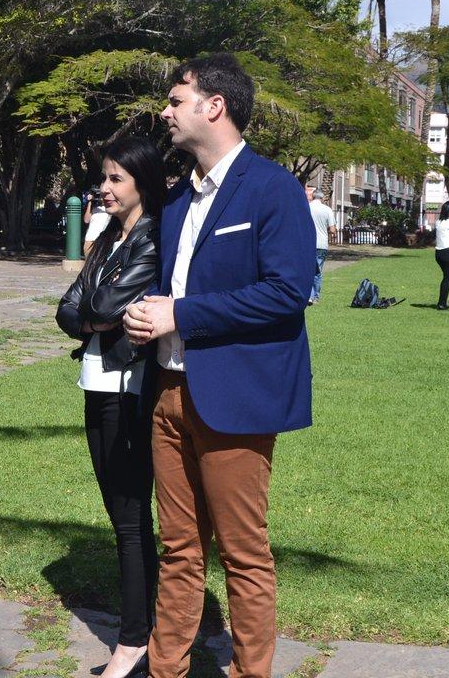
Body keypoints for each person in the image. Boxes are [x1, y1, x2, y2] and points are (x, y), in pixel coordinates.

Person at [123, 54, 315, 678]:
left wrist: (183, 314)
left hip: (235, 399)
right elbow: (171, 286)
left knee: (242, 553)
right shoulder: (177, 200)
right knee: (178, 551)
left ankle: (250, 672)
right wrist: (142, 317)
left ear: (215, 106)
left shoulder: (272, 187)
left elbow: (289, 291)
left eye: (176, 100)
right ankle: (166, 667)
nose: (165, 111)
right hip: (169, 394)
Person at [56, 137, 164, 678]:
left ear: (143, 183)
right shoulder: (107, 241)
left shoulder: (151, 237)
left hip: (129, 388)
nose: (104, 187)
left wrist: (96, 312)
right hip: (96, 384)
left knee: (128, 518)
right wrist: (96, 314)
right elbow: (68, 309)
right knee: (125, 517)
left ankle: (132, 643)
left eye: (116, 179)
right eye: (104, 177)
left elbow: (96, 304)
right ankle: (147, 629)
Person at [305, 187, 336, 304]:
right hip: (322, 243)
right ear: (322, 198)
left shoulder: (306, 207)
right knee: (317, 271)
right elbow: (332, 230)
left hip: (308, 242)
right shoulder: (327, 210)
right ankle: (316, 296)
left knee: (307, 269)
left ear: (313, 196)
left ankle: (309, 295)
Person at [84, 189, 112, 256]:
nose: (100, 198)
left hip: (103, 241)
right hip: (90, 240)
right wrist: (90, 202)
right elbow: (86, 220)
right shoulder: (94, 208)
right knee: (88, 263)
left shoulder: (110, 209)